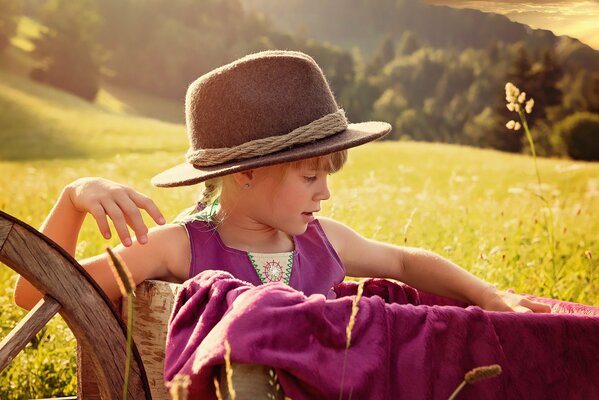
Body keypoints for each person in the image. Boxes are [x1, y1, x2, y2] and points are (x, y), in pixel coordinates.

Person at [14, 50, 550, 314]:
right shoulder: (180, 247)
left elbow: (406, 263)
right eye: (311, 174)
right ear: (245, 172)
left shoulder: (323, 241)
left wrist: (489, 295)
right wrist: (75, 197)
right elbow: (32, 293)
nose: (325, 191)